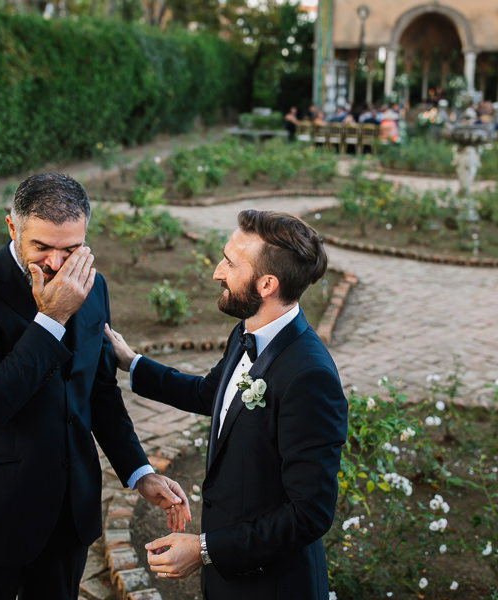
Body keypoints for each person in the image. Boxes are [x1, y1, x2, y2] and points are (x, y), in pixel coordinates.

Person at [0, 173, 191, 600]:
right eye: (41, 247)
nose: (56, 263)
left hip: (68, 509)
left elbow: (99, 392)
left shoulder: (94, 284)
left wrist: (139, 472)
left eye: (71, 249)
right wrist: (51, 319)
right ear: (12, 228)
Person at [105, 210, 348, 600]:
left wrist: (204, 550)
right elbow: (210, 394)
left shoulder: (309, 377)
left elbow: (310, 514)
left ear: (267, 283)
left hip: (273, 586)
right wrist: (132, 363)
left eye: (231, 263)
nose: (218, 271)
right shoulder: (247, 332)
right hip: (228, 578)